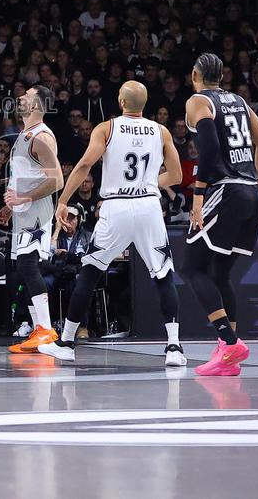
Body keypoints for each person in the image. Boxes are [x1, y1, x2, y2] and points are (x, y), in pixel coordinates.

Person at [39, 81, 186, 367]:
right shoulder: (161, 131)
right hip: (148, 206)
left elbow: (83, 166)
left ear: (121, 101)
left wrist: (62, 201)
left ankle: (67, 342)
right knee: (163, 274)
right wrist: (147, 185)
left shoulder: (106, 128)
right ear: (144, 104)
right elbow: (177, 175)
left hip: (115, 206)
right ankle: (174, 348)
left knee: (91, 271)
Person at [182, 53, 258, 376]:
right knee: (219, 274)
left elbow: (208, 149)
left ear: (195, 74)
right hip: (248, 191)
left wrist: (198, 195)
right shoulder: (240, 102)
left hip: (226, 190)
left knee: (191, 268)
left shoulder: (197, 102)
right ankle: (227, 354)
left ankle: (229, 342)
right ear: (222, 76)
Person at [0, 86, 63, 354]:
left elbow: (56, 179)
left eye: (25, 95)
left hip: (37, 212)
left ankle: (45, 330)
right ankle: (39, 330)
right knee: (24, 268)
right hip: (25, 212)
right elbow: (27, 176)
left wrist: (24, 199)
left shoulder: (42, 136)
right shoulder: (25, 135)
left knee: (28, 264)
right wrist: (13, 206)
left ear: (36, 105)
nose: (20, 98)